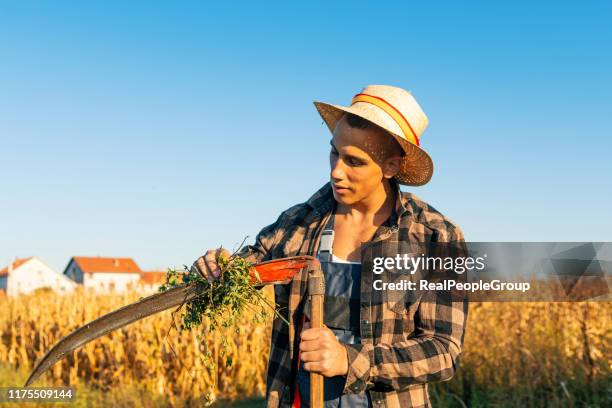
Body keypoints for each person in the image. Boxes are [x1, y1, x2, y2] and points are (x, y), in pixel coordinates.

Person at [192, 85, 468, 408]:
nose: (336, 171)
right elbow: (247, 268)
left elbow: (443, 350)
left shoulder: (437, 237)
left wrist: (350, 361)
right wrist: (221, 267)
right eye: (334, 152)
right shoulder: (299, 223)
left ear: (391, 167)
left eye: (355, 161)